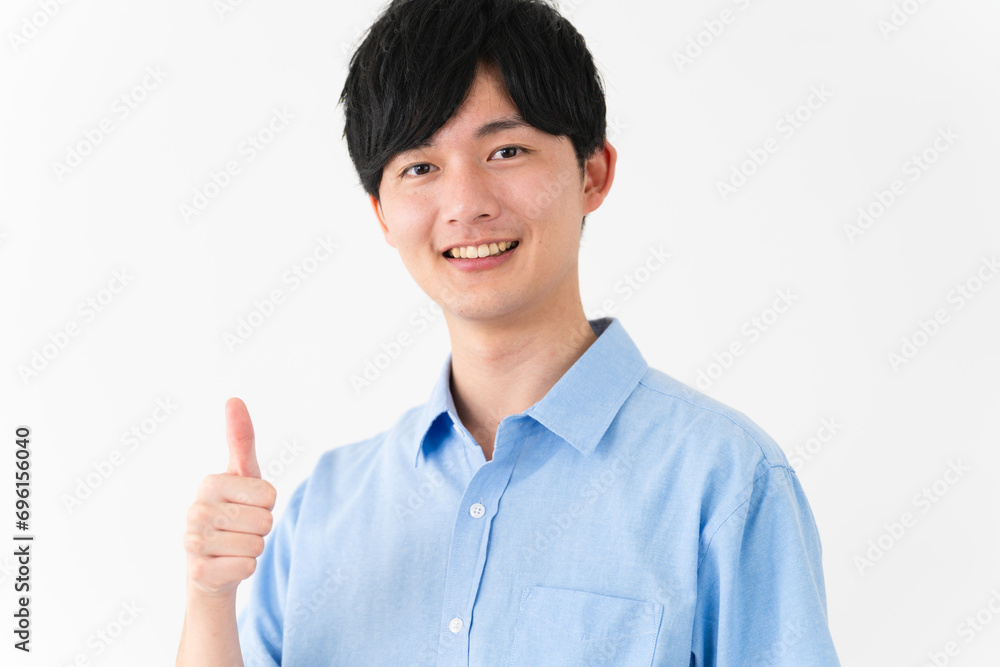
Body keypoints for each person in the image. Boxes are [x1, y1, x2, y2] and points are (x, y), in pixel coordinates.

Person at [176, 0, 841, 664]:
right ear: (382, 214)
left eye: (506, 150)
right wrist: (210, 595)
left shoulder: (722, 479)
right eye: (420, 166)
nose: (467, 204)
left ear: (593, 173)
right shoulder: (322, 511)